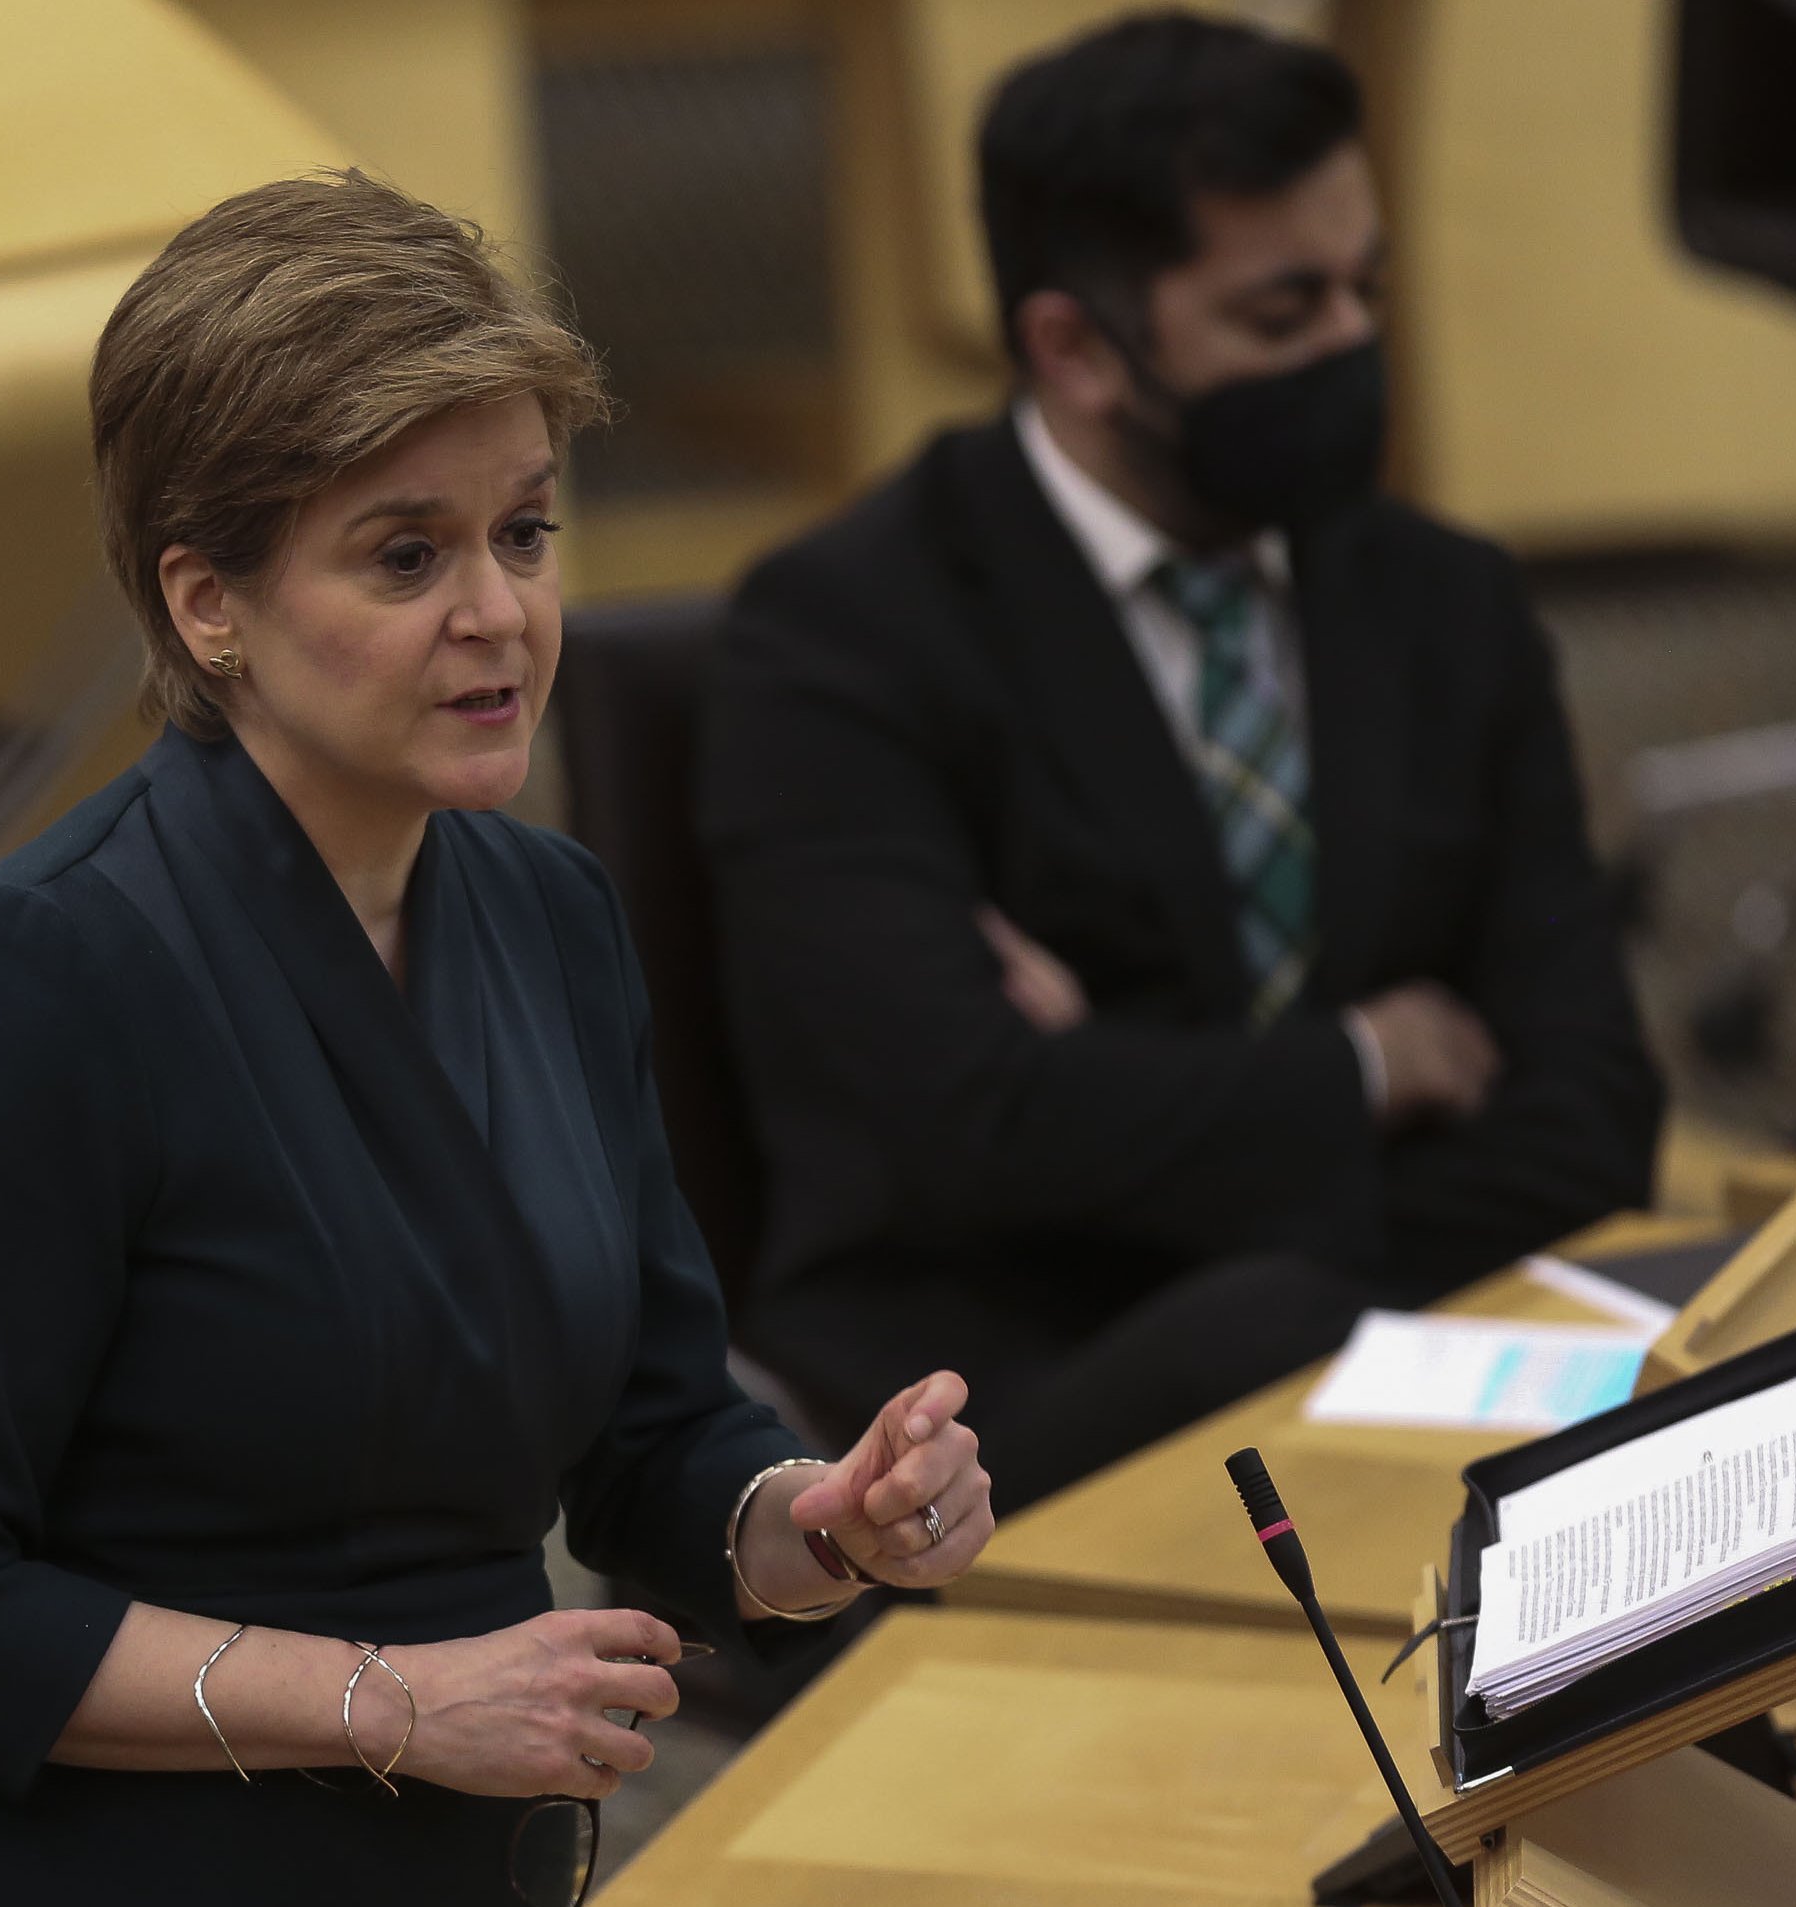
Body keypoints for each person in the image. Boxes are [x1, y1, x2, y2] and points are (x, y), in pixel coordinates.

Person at [0, 172, 994, 1905]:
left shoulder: (550, 914)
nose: (498, 610)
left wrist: (820, 1524)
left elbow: (652, 1439)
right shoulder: (39, 979)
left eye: (526, 531)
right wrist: (385, 1703)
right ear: (210, 607)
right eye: (407, 555)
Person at [698, 15, 1661, 1512]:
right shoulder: (841, 639)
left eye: (1367, 290)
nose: (1353, 347)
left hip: (1398, 1342)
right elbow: (962, 1138)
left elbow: (1592, 1110)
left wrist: (1117, 1086)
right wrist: (1368, 1067)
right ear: (1076, 348)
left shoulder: (1442, 599)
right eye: (1284, 316)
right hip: (983, 1408)